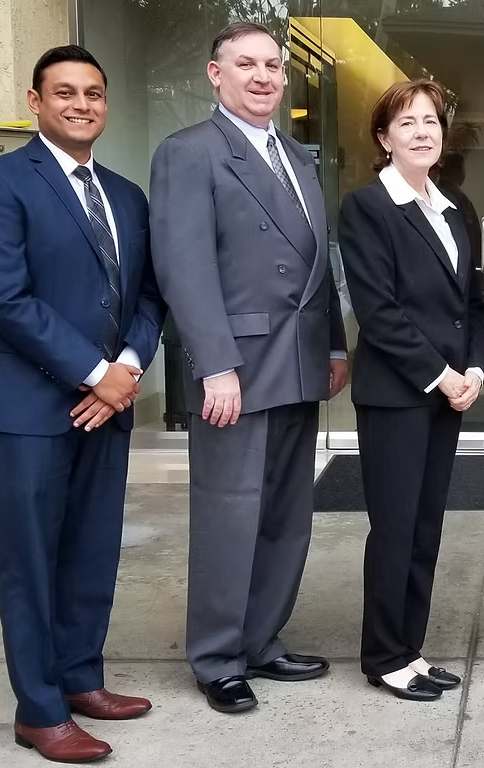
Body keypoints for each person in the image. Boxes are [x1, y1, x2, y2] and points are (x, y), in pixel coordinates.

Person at [0, 45, 166, 762]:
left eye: (95, 93)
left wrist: (126, 372)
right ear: (36, 102)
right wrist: (96, 371)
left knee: (90, 552)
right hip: (20, 409)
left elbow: (148, 297)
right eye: (66, 92)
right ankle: (39, 710)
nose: (83, 104)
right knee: (31, 562)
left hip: (105, 405)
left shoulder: (127, 196)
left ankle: (80, 678)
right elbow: (3, 298)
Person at [149, 21, 348, 714]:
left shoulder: (296, 155)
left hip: (296, 363)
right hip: (237, 368)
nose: (262, 77)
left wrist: (333, 347)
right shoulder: (190, 153)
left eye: (272, 66)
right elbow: (185, 267)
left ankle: (261, 638)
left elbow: (319, 263)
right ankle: (217, 657)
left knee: (286, 515)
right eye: (246, 65)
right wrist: (214, 366)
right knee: (230, 514)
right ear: (216, 74)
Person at [337, 80, 484, 701]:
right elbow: (379, 311)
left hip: (448, 393)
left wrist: (475, 370)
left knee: (426, 527)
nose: (423, 131)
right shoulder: (367, 207)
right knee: (395, 528)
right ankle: (383, 655)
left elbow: (471, 305)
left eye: (431, 121)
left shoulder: (454, 206)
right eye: (407, 123)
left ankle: (411, 649)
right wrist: (443, 374)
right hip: (399, 394)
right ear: (384, 138)